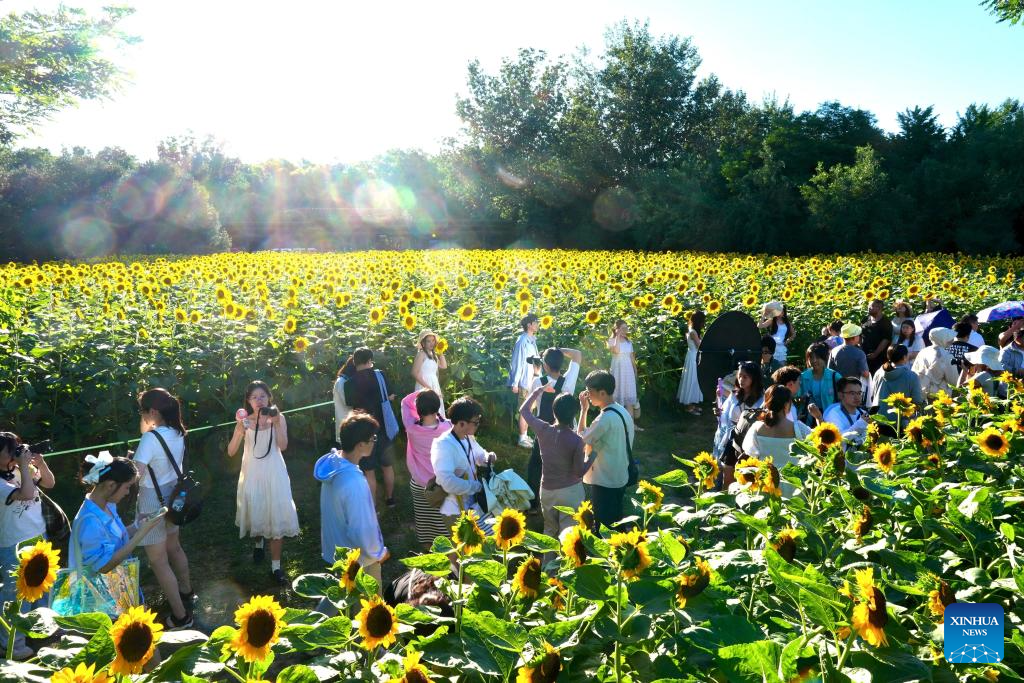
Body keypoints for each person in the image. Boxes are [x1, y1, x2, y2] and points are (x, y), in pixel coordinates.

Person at [131, 388, 194, 629]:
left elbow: (136, 474)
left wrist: (129, 461)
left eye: (143, 411)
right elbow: (147, 431)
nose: (142, 415)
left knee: (158, 560)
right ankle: (187, 591)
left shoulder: (151, 439)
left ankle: (181, 616)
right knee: (174, 546)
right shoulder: (177, 431)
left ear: (154, 411)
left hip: (152, 498)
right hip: (173, 494)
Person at [71, 455, 167, 611]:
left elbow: (115, 539)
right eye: (127, 487)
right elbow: (103, 566)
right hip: (104, 602)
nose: (127, 492)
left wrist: (137, 525)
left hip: (121, 586)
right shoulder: (89, 522)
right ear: (111, 485)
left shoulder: (107, 505)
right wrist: (141, 534)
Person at [227, 381, 300, 585]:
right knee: (257, 510)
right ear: (248, 401)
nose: (259, 401)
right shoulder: (245, 421)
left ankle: (276, 567)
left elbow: (283, 446)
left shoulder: (278, 417)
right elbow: (231, 451)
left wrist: (276, 423)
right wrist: (239, 430)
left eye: (262, 396)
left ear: (269, 398)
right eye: (254, 397)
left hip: (274, 471)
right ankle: (258, 544)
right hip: (252, 472)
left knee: (276, 513)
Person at [314, 413, 389, 585]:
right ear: (361, 444)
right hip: (360, 563)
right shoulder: (354, 482)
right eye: (372, 438)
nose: (374, 442)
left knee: (345, 599)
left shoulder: (334, 466)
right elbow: (360, 527)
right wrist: (378, 553)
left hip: (338, 557)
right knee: (367, 601)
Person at [0, 433, 55, 658]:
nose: (16, 453)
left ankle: (41, 633)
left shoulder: (18, 470)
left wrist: (39, 463)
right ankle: (11, 644)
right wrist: (23, 465)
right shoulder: (2, 482)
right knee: (15, 596)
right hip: (13, 544)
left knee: (42, 590)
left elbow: (49, 483)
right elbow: (26, 493)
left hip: (38, 536)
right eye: (10, 450)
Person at [521, 385, 588, 539]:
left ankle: (548, 556)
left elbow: (524, 411)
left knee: (550, 531)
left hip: (547, 491)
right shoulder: (577, 440)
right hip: (570, 492)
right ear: (573, 415)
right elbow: (579, 472)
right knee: (569, 536)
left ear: (553, 411)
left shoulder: (543, 429)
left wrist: (538, 391)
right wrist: (592, 457)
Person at [526, 347, 582, 511]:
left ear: (545, 365)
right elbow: (577, 354)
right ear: (561, 363)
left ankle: (534, 504)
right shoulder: (568, 381)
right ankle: (566, 498)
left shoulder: (539, 382)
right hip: (566, 431)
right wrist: (558, 350)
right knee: (565, 464)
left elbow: (531, 405)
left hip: (544, 431)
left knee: (536, 465)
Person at [577, 371, 634, 533]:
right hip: (620, 475)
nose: (587, 395)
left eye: (590, 391)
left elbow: (580, 439)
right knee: (616, 519)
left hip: (605, 480)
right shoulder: (622, 411)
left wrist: (583, 410)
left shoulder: (604, 419)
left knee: (604, 527)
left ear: (602, 393)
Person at [430, 397, 496, 531]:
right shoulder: (443, 445)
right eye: (475, 422)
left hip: (472, 504)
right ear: (461, 423)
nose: (478, 425)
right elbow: (446, 481)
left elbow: (479, 456)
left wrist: (488, 457)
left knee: (482, 541)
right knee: (464, 544)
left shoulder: (467, 437)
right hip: (454, 509)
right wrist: (476, 487)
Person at [342, 348, 398, 506]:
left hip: (364, 431)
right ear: (370, 360)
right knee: (387, 466)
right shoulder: (380, 375)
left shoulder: (349, 383)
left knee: (369, 472)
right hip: (384, 427)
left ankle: (372, 507)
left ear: (354, 362)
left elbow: (351, 405)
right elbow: (391, 395)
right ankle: (390, 499)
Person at [400, 389, 452, 548]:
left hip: (419, 484)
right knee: (444, 524)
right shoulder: (448, 427)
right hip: (442, 485)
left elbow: (405, 402)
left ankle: (428, 552)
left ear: (418, 409)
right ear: (438, 407)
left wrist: (422, 391)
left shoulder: (411, 428)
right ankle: (448, 554)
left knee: (425, 524)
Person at [740, 385, 811, 497]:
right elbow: (815, 445)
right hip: (793, 486)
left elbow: (750, 453)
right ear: (787, 404)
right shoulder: (798, 428)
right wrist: (819, 418)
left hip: (766, 485)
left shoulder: (757, 428)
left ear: (766, 403)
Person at [714, 362, 764, 461]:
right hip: (730, 438)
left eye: (745, 377)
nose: (741, 379)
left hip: (750, 440)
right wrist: (720, 413)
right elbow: (725, 414)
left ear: (754, 378)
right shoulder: (734, 395)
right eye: (740, 376)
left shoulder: (761, 399)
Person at [871, 345, 924, 427]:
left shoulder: (879, 373)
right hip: (901, 423)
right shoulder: (912, 376)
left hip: (878, 420)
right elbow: (918, 401)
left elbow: (873, 395)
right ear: (904, 357)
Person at [508, 314, 541, 448]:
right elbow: (517, 362)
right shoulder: (522, 341)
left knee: (530, 408)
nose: (538, 324)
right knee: (524, 409)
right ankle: (521, 438)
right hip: (524, 380)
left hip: (532, 379)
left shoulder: (532, 340)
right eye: (536, 322)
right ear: (529, 325)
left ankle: (525, 435)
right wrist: (515, 383)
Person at [799, 343, 841, 423]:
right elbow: (796, 397)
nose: (814, 360)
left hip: (830, 417)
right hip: (808, 418)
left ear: (824, 357)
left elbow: (844, 397)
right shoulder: (802, 377)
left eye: (817, 357)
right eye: (811, 357)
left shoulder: (835, 376)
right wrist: (800, 399)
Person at [911, 327, 959, 396]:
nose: (952, 340)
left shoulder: (924, 351)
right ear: (943, 339)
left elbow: (914, 371)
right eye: (949, 338)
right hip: (939, 395)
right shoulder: (947, 355)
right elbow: (954, 381)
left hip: (920, 392)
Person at [608, 320, 640, 421]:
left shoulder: (628, 342)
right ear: (617, 329)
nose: (625, 330)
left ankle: (631, 425)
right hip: (617, 372)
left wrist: (635, 370)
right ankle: (619, 424)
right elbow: (616, 351)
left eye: (626, 328)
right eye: (623, 328)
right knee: (617, 397)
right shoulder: (612, 340)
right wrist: (617, 336)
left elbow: (632, 358)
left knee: (629, 399)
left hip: (628, 372)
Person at [822, 377, 870, 444]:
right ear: (840, 395)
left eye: (859, 393)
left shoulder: (863, 413)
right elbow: (838, 439)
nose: (857, 397)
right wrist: (860, 425)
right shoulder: (833, 414)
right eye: (852, 393)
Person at [412, 330, 448, 416]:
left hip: (434, 384)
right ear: (423, 343)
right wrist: (429, 388)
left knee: (436, 410)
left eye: (433, 340)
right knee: (427, 410)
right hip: (424, 385)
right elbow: (414, 373)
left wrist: (440, 351)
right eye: (428, 341)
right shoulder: (421, 354)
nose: (432, 343)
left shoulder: (433, 354)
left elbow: (444, 366)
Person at [676, 311, 705, 414]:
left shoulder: (693, 330)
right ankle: (689, 406)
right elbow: (699, 346)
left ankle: (693, 404)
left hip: (693, 356)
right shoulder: (693, 332)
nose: (704, 323)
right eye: (702, 321)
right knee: (692, 380)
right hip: (693, 357)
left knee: (695, 380)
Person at [861, 299, 892, 375]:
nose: (869, 307)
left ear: (879, 308)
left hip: (879, 357)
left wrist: (875, 354)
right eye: (868, 305)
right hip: (864, 355)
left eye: (871, 306)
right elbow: (860, 335)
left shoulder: (886, 322)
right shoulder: (865, 319)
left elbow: (885, 340)